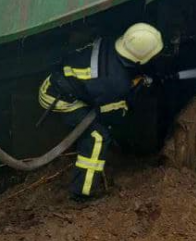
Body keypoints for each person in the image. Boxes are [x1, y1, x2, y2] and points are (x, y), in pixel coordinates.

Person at [38, 23, 163, 201]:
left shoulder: (112, 44)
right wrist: (133, 93)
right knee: (98, 136)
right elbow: (110, 113)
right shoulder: (114, 83)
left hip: (70, 82)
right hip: (57, 98)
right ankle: (81, 193)